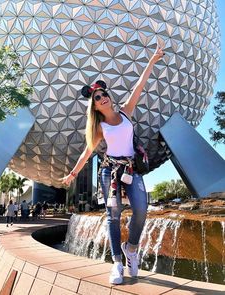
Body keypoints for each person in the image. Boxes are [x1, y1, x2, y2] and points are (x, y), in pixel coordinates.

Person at [62, 43, 165, 284]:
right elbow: (87, 152)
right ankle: (117, 263)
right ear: (95, 106)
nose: (103, 98)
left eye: (104, 94)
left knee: (141, 210)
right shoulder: (99, 127)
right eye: (98, 97)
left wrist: (152, 60)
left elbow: (140, 85)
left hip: (131, 169)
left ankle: (131, 248)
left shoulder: (126, 112)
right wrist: (72, 174)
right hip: (110, 172)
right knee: (113, 215)